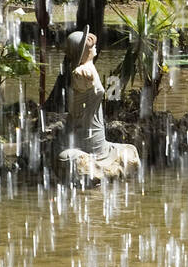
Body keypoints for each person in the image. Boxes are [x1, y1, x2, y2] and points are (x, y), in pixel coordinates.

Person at [58, 27, 141, 179]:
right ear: (82, 52)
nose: (94, 46)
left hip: (96, 131)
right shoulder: (81, 73)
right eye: (90, 46)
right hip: (87, 134)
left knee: (129, 151)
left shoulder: (89, 68)